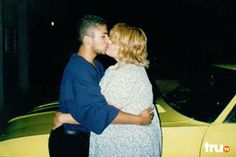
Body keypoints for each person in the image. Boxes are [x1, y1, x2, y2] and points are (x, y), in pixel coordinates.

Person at [48, 15, 154, 157]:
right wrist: (140, 120)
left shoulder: (98, 66)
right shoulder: (79, 69)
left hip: (84, 136)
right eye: (104, 36)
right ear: (88, 40)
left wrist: (64, 117)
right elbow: (96, 112)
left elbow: (105, 105)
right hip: (72, 141)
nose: (108, 41)